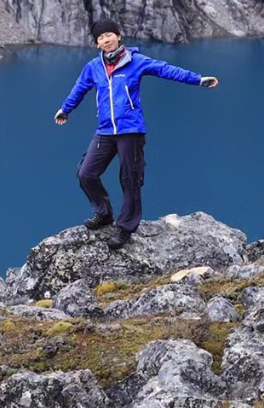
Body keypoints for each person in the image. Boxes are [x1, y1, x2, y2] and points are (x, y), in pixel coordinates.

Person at [54, 25, 218, 247]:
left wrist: (198, 79)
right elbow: (79, 88)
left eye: (109, 35)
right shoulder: (94, 67)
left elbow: (166, 69)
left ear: (119, 37)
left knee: (130, 179)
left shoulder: (135, 61)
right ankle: (103, 213)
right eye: (101, 37)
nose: (105, 40)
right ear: (97, 44)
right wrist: (65, 109)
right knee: (86, 173)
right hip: (105, 130)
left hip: (131, 130)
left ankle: (125, 227)